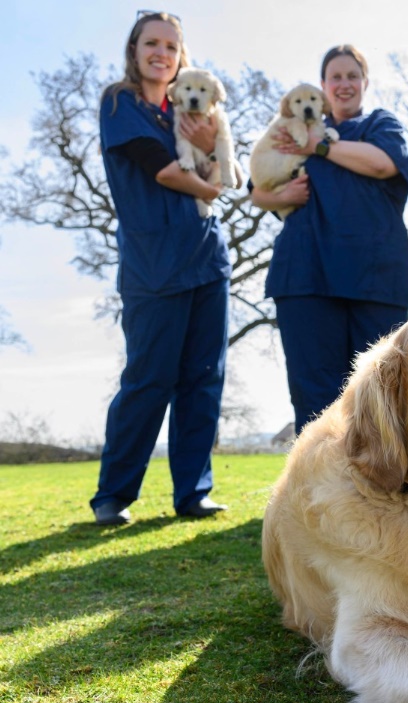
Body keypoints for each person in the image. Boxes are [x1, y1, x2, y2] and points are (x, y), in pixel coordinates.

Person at [91, 11, 232, 525]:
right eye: (152, 43)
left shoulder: (190, 110)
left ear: (181, 56)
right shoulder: (119, 103)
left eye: (171, 46)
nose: (162, 53)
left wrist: (213, 157)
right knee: (148, 379)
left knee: (204, 378)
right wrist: (211, 183)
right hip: (153, 265)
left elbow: (217, 162)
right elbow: (167, 170)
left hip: (207, 260)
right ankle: (114, 494)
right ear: (135, 49)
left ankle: (193, 493)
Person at [251, 45, 408, 436]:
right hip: (305, 277)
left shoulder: (379, 124)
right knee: (315, 397)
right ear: (323, 87)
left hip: (375, 280)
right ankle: (320, 493)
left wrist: (318, 146)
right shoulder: (290, 129)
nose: (344, 84)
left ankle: (392, 490)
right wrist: (278, 197)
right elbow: (257, 188)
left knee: (386, 393)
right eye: (335, 77)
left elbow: (384, 163)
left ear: (364, 82)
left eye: (351, 76)